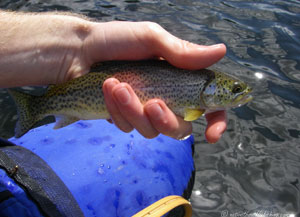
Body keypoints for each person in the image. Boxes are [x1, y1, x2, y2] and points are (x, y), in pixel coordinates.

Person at [0, 10, 227, 143]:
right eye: (235, 90)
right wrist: (83, 44)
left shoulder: (199, 99)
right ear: (210, 89)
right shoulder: (196, 102)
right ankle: (35, 107)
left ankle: (36, 106)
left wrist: (79, 45)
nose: (242, 94)